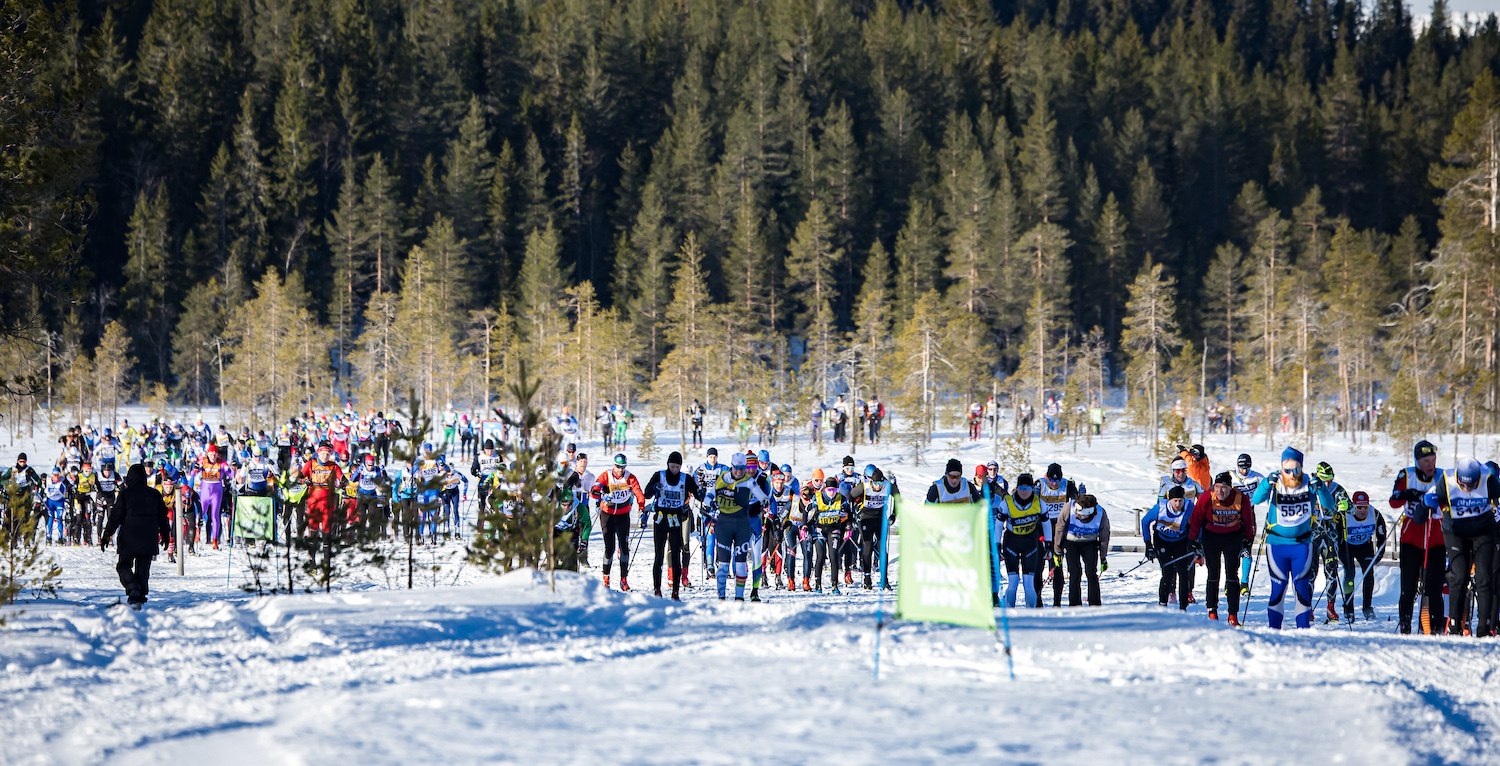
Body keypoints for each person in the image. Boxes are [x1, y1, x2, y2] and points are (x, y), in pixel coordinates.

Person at [1251, 447, 1332, 629]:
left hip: (1302, 545)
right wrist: (1265, 484)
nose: (1291, 474)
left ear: (1301, 468)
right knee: (1278, 590)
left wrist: (1320, 488)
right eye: (1286, 470)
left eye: (1295, 470)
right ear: (1281, 468)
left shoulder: (1309, 483)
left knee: (1302, 590)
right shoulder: (1275, 481)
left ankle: (1303, 631)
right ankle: (1274, 631)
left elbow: (1329, 506)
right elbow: (1255, 500)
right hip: (1277, 545)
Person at [1422, 457, 1498, 636]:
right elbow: (1430, 496)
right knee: (1459, 576)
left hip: (1482, 532)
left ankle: (1484, 628)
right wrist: (1431, 501)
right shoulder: (1447, 479)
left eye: (1471, 485)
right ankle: (1455, 626)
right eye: (1463, 485)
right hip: (1456, 532)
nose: (1466, 489)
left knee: (1484, 578)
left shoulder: (1488, 478)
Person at [1388, 439, 1447, 634]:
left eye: (1433, 460)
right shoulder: (1407, 474)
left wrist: (1439, 501)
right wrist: (1408, 493)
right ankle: (1405, 626)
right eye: (1426, 462)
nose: (1431, 465)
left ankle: (1436, 628)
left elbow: (1450, 504)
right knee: (1408, 587)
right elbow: (1394, 501)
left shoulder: (1442, 476)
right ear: (1417, 462)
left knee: (1434, 587)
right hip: (1411, 537)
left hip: (1436, 538)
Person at [101, 463, 173, 610]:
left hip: (129, 537)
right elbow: (163, 517)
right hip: (148, 537)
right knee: (143, 567)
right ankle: (139, 594)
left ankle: (133, 587)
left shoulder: (125, 494)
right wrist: (165, 534)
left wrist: (107, 535)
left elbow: (115, 517)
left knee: (123, 566)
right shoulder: (154, 494)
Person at [1190, 472, 1255, 624]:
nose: (1220, 491)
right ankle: (1212, 609)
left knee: (1232, 574)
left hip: (1233, 536)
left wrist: (1248, 541)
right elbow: (1196, 518)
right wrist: (1192, 540)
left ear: (1230, 488)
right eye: (1217, 487)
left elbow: (1247, 520)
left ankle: (1233, 614)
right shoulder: (1207, 497)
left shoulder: (1241, 498)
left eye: (1224, 487)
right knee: (1213, 572)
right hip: (1211, 536)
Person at [642, 451, 700, 600]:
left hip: (675, 521)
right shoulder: (659, 475)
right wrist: (654, 487)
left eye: (676, 467)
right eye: (672, 466)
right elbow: (646, 494)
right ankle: (657, 589)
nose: (674, 469)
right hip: (661, 520)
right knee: (659, 555)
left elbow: (698, 494)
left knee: (676, 555)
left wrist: (702, 489)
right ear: (668, 464)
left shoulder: (685, 478)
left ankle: (675, 591)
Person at [711, 452, 768, 600]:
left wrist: (766, 504)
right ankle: (721, 596)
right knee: (724, 562)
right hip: (727, 523)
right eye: (742, 467)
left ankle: (752, 591)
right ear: (732, 466)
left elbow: (767, 497)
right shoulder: (723, 477)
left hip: (751, 522)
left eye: (749, 467)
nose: (745, 470)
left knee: (752, 558)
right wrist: (709, 507)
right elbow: (711, 494)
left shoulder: (759, 479)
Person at [590, 454, 645, 591]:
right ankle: (606, 577)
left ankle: (623, 579)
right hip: (607, 515)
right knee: (610, 548)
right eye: (618, 466)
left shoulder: (630, 477)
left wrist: (641, 506)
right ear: (614, 465)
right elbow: (594, 491)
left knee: (624, 547)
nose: (620, 470)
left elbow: (638, 492)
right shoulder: (606, 475)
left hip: (623, 516)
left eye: (623, 467)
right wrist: (601, 494)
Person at [1338, 490, 1388, 622]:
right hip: (1346, 546)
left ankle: (1367, 607)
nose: (1362, 510)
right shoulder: (1345, 515)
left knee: (1368, 574)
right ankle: (1349, 608)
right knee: (1350, 574)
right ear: (1353, 506)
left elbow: (1381, 535)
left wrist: (1379, 553)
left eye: (1365, 506)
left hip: (1364, 546)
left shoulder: (1375, 514)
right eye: (1359, 507)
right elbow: (1335, 533)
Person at [1311, 461, 1351, 621]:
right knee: (1310, 573)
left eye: (1330, 479)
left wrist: (1346, 506)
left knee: (1331, 571)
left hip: (1331, 536)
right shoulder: (1310, 488)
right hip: (1313, 536)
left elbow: (1352, 509)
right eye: (1324, 480)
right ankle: (1307, 607)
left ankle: (1330, 607)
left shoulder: (1337, 489)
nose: (1327, 483)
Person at [997, 473, 1045, 608]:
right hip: (1011, 542)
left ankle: (1031, 613)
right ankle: (1009, 611)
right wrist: (997, 543)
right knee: (1013, 581)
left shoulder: (1039, 503)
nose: (1024, 491)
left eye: (1028, 488)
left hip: (1030, 543)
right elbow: (999, 524)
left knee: (1028, 583)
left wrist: (1048, 543)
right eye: (1021, 488)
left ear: (1032, 489)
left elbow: (1046, 523)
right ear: (1017, 488)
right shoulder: (1008, 502)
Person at [1142, 486, 1195, 609]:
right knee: (1167, 572)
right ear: (1169, 500)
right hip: (1162, 541)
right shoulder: (1160, 508)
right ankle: (1162, 603)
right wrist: (1148, 544)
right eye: (1175, 501)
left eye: (1180, 500)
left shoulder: (1189, 507)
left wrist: (1197, 541)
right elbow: (1145, 522)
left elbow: (1198, 522)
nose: (1177, 504)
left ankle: (1183, 607)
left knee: (1183, 573)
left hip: (1181, 542)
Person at [1053, 493, 1110, 606]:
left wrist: (1103, 557)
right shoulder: (1068, 508)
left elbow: (1104, 535)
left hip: (1090, 543)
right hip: (1071, 543)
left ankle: (1094, 603)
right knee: (1074, 572)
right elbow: (1059, 528)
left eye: (1083, 515)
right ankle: (1074, 603)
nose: (1080, 517)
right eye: (1078, 514)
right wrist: (1057, 550)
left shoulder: (1100, 513)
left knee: (1091, 573)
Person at [1036, 463, 1078, 607]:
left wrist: (1079, 495)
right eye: (1051, 480)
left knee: (1057, 565)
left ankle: (1057, 602)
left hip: (1060, 529)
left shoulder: (1067, 485)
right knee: (1038, 566)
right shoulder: (1040, 484)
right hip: (1042, 528)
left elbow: (1076, 502)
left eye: (1057, 480)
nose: (1054, 483)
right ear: (1046, 477)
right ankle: (1037, 599)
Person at [809, 476, 851, 594]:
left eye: (834, 490)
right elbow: (807, 513)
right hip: (819, 530)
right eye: (829, 490)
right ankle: (818, 584)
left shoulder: (841, 499)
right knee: (820, 557)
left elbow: (849, 515)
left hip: (834, 530)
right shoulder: (817, 498)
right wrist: (805, 526)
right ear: (824, 489)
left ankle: (834, 585)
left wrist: (848, 528)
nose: (831, 492)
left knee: (834, 557)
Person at [857, 464, 896, 589]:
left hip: (880, 519)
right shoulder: (865, 485)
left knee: (882, 549)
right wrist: (854, 513)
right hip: (866, 518)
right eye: (876, 483)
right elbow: (850, 496)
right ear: (871, 481)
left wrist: (894, 514)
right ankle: (867, 578)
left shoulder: (888, 485)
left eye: (880, 483)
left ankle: (884, 580)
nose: (878, 486)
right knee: (867, 548)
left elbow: (898, 498)